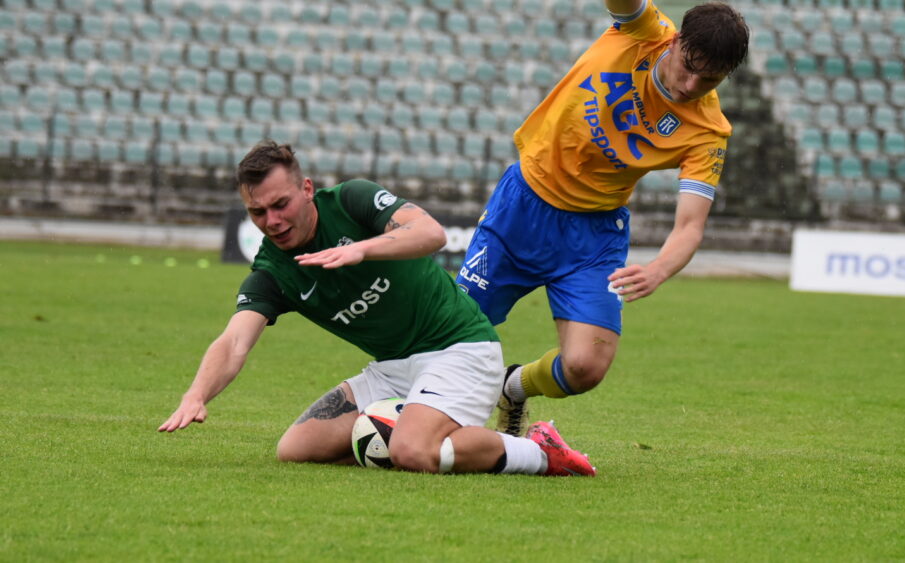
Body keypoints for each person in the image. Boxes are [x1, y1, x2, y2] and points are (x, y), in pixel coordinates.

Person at [159, 140, 594, 477]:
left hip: (460, 349)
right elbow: (235, 341)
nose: (272, 221)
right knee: (295, 450)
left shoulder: (351, 200)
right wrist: (196, 395)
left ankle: (539, 451)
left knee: (414, 451)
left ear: (306, 189)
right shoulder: (273, 272)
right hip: (391, 371)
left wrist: (362, 250)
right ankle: (420, 433)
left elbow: (431, 233)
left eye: (280, 204)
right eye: (258, 212)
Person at [456, 0, 750, 436]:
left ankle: (512, 389)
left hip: (593, 235)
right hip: (524, 205)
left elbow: (690, 225)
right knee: (452, 329)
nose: (692, 85)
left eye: (711, 79)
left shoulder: (709, 132)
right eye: (689, 67)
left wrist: (658, 269)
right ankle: (395, 410)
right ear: (676, 42)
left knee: (585, 367)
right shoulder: (644, 30)